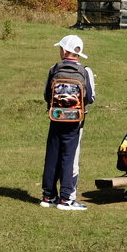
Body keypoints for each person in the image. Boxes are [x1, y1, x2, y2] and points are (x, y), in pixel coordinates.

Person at [41, 34, 96, 210]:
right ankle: (66, 199)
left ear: (65, 51)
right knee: (69, 157)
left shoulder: (54, 68)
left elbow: (46, 95)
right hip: (75, 121)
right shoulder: (85, 71)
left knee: (52, 156)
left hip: (56, 118)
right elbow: (91, 97)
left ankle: (48, 196)